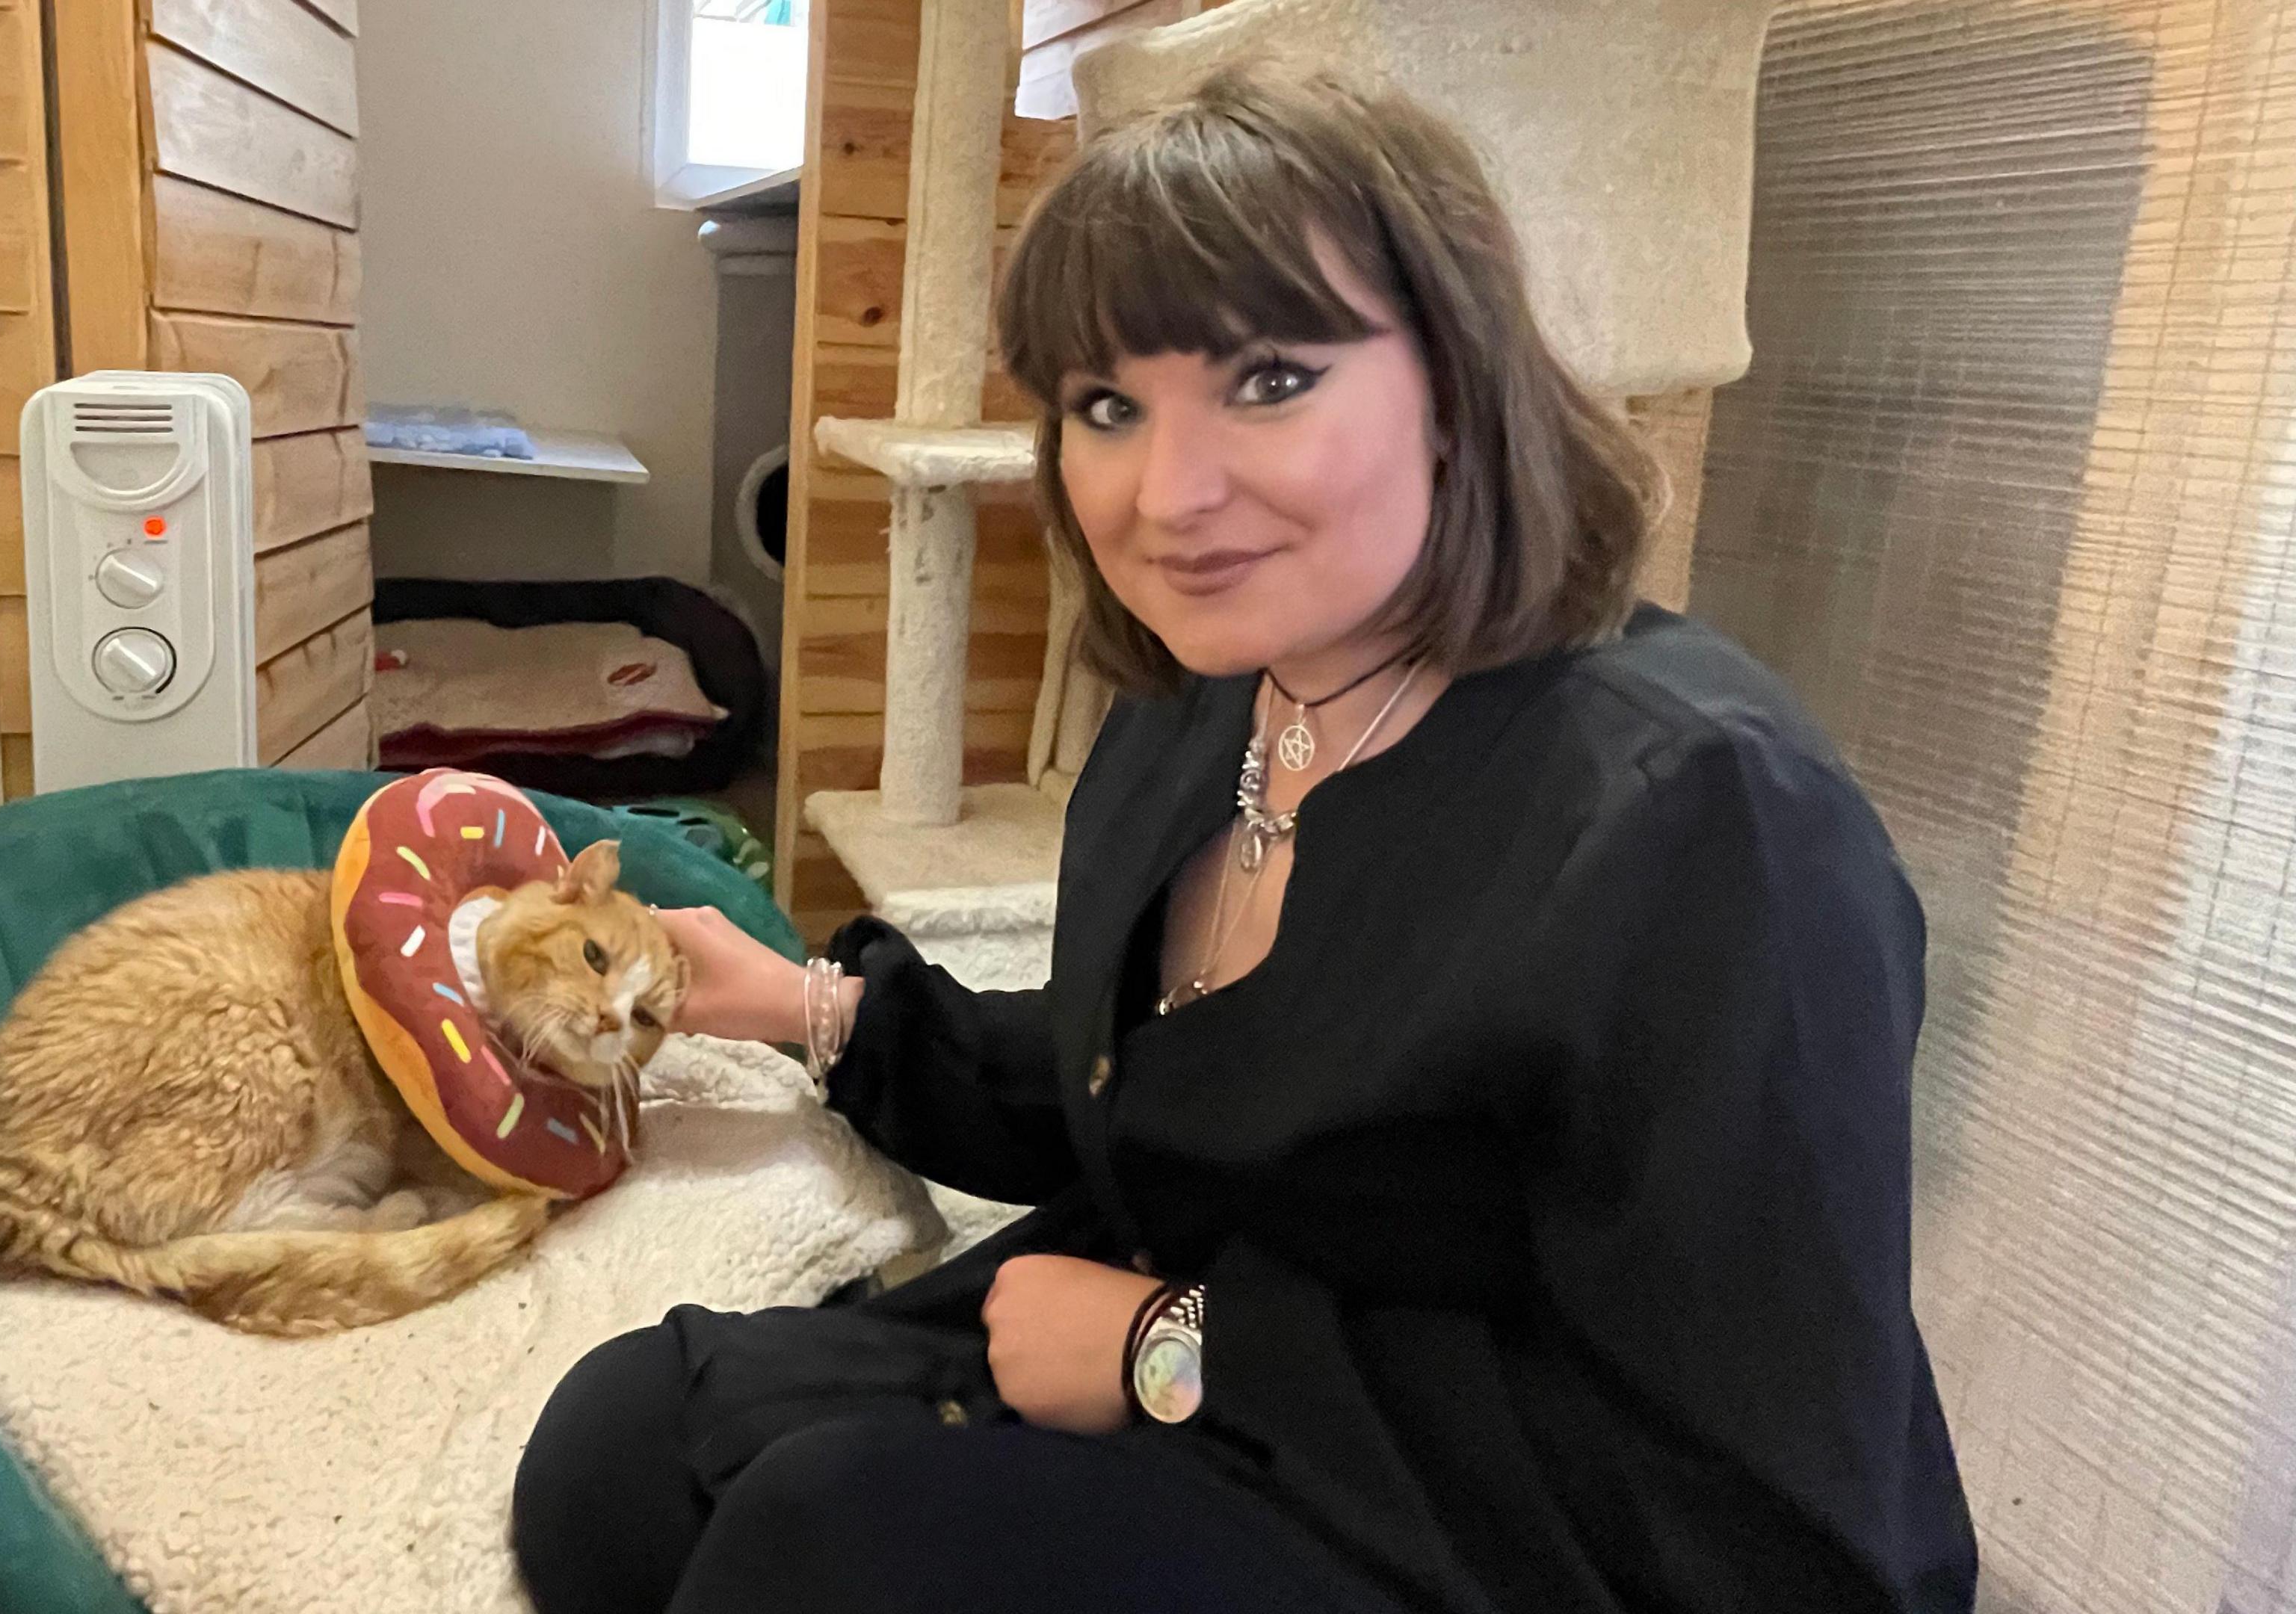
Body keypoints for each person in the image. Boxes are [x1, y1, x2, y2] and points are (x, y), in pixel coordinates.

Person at [511, 65, 1978, 1614]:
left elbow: (1762, 1515)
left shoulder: (1709, 825)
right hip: (1210, 1324)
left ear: (1458, 386)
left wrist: (1173, 1357)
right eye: (1106, 406)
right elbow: (1169, 1095)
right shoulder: (1203, 706)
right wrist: (812, 1009)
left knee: (830, 1538)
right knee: (625, 1444)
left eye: (1271, 378)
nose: (1168, 494)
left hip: (1484, 1514)